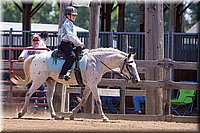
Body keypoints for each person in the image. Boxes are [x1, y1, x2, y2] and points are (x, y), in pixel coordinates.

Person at [18, 34, 47, 110]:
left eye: (37, 40)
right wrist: (28, 61)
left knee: (41, 90)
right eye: (34, 40)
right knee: (31, 90)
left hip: (40, 73)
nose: (36, 42)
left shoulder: (43, 49)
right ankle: (32, 107)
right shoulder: (28, 49)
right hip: (30, 73)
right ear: (32, 41)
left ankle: (41, 108)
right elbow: (20, 57)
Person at [58, 6, 85, 80]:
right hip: (65, 44)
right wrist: (79, 43)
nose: (74, 17)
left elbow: (74, 36)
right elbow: (70, 36)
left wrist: (79, 43)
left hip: (70, 43)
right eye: (73, 15)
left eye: (75, 15)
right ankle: (62, 73)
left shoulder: (71, 24)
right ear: (67, 15)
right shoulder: (66, 24)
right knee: (71, 56)